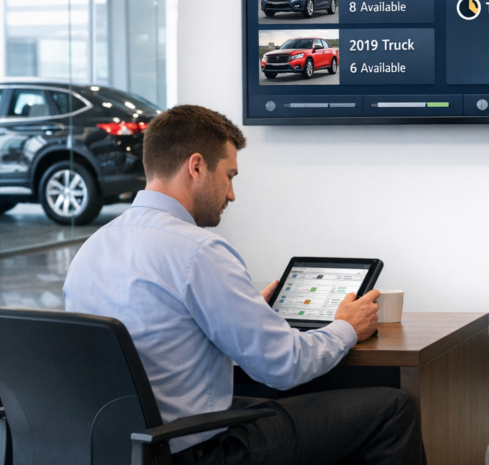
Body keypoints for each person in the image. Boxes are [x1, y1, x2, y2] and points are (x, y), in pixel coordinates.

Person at [63, 105, 426, 465]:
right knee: (392, 410)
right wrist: (347, 326)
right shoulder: (199, 251)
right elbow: (285, 365)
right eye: (230, 175)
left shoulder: (93, 248)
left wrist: (245, 309)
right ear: (196, 167)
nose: (232, 194)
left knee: (268, 405)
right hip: (196, 452)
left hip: (119, 448)